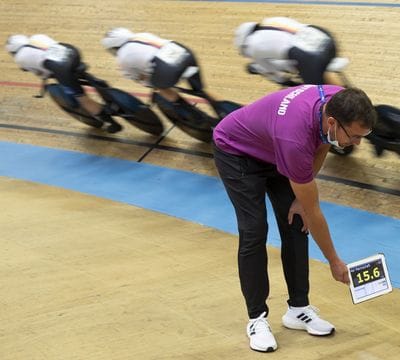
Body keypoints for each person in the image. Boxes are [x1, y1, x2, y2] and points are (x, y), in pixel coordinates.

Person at [213, 84, 376, 352]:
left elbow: (323, 142)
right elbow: (315, 212)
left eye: (363, 137)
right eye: (355, 137)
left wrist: (301, 196)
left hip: (274, 147)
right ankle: (256, 319)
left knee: (296, 221)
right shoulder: (295, 138)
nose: (357, 144)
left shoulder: (337, 102)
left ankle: (298, 309)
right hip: (237, 151)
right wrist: (334, 262)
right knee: (255, 230)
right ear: (333, 121)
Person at [5, 34, 121, 132]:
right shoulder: (38, 37)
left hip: (61, 68)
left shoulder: (19, 58)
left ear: (14, 51)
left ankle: (111, 123)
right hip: (72, 52)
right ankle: (102, 87)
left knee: (82, 99)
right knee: (73, 72)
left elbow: (43, 74)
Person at [101, 28, 216, 108]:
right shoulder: (142, 35)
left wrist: (151, 84)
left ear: (114, 47)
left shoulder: (122, 57)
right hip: (185, 53)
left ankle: (189, 112)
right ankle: (223, 108)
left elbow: (139, 78)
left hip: (167, 69)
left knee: (160, 87)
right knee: (201, 91)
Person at [234, 17, 346, 86]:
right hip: (324, 36)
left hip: (311, 57)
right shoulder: (271, 20)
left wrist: (285, 82)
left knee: (318, 95)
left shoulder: (252, 46)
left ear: (244, 45)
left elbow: (272, 72)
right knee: (319, 71)